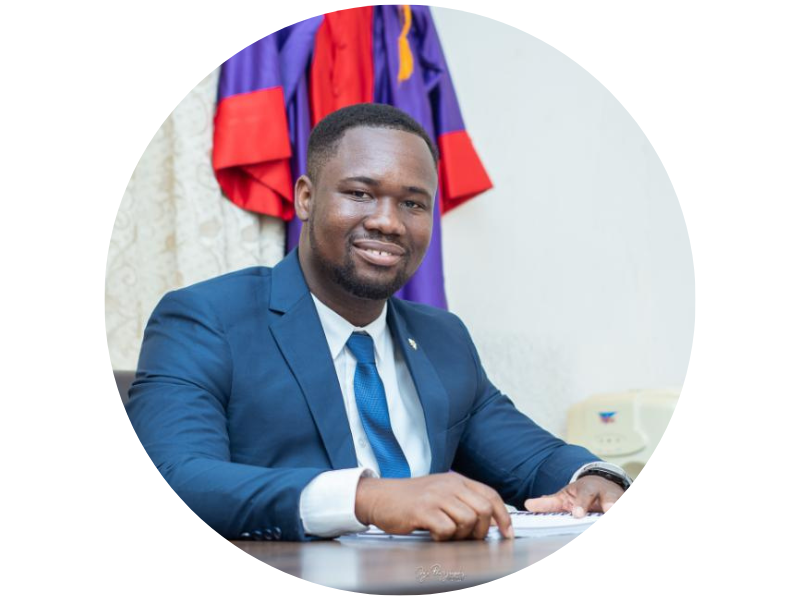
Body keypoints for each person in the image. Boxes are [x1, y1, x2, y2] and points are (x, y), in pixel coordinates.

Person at [126, 103, 631, 543]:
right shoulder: (206, 318)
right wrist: (364, 498)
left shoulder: (443, 337)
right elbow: (175, 477)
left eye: (412, 203)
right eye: (361, 194)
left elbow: (535, 458)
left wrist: (596, 479)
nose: (388, 221)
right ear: (306, 197)